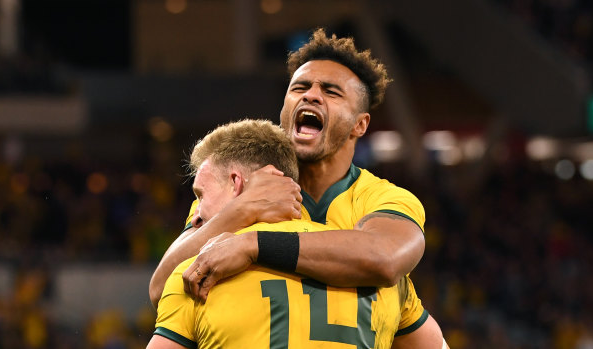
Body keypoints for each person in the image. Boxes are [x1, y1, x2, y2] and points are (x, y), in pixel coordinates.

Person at [149, 28, 448, 348]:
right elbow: (164, 288)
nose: (311, 95)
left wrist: (253, 244)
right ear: (284, 110)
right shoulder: (237, 189)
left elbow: (385, 258)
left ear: (360, 124)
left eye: (331, 92)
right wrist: (243, 209)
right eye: (300, 87)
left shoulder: (383, 198)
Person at [148, 119, 426, 349]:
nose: (196, 216)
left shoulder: (199, 271)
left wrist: (247, 235)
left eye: (200, 194)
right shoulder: (389, 283)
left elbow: (158, 289)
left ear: (236, 182)